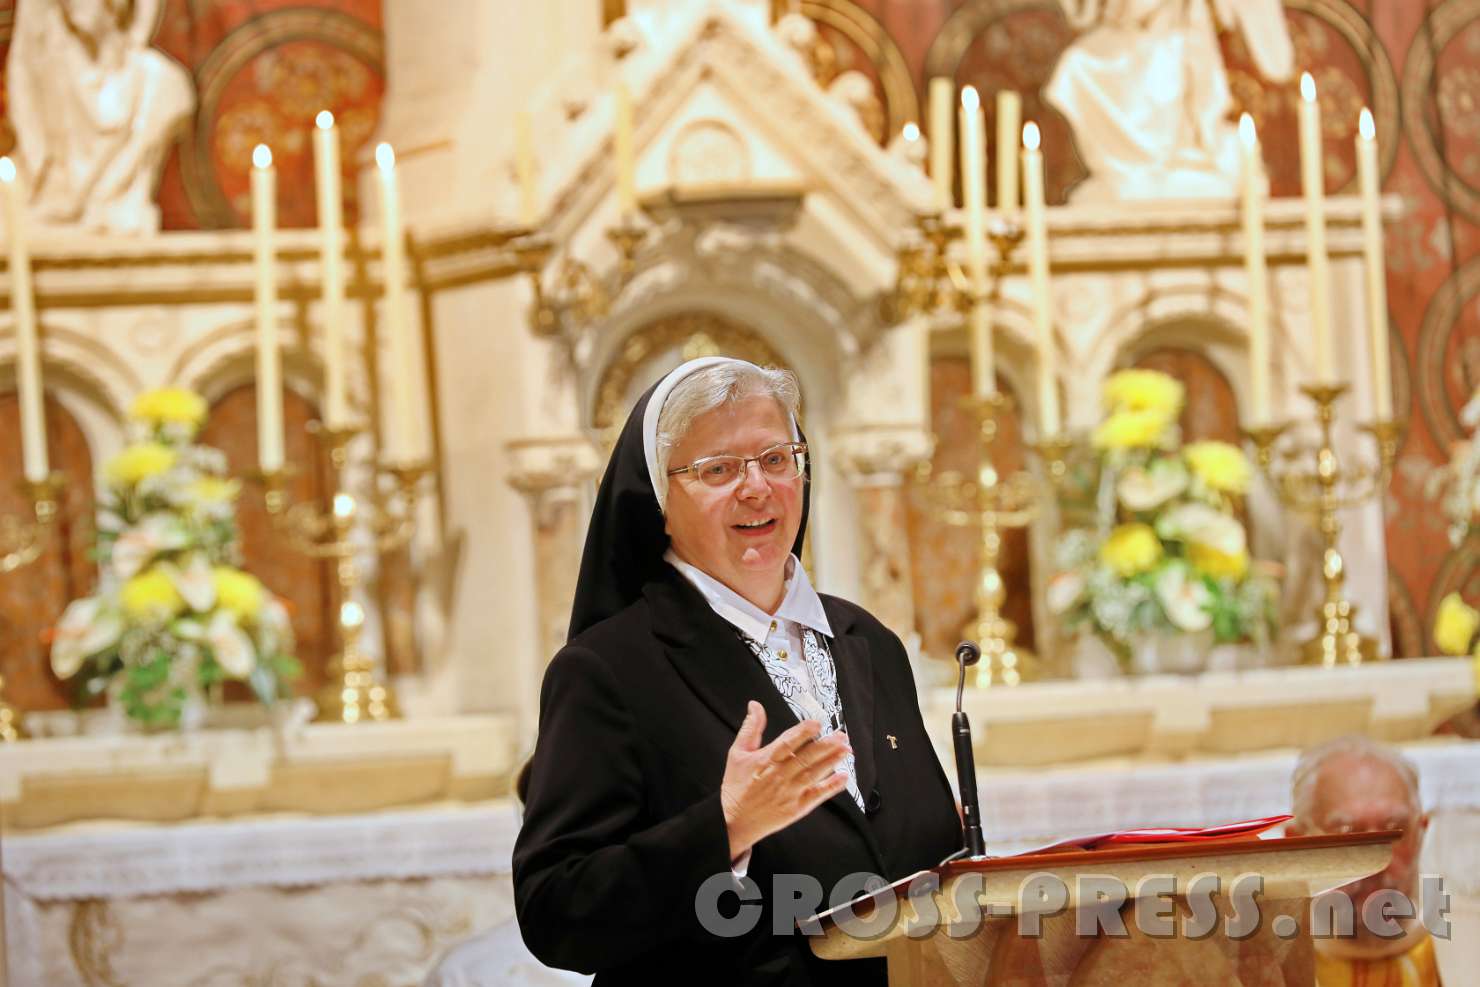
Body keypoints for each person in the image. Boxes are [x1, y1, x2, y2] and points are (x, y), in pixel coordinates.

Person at [513, 357, 962, 985]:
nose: (756, 488)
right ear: (658, 498)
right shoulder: (606, 670)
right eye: (718, 469)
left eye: (776, 459)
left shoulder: (868, 641)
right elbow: (556, 912)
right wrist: (726, 828)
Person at [1287, 737, 1442, 987]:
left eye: (1396, 831)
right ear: (1297, 843)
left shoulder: (1466, 942)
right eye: (1348, 833)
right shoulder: (1267, 957)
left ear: (1421, 830)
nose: (1376, 862)